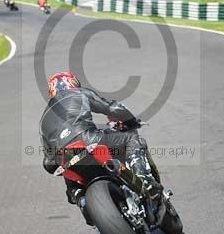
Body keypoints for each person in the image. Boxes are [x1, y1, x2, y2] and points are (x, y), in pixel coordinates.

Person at [39, 71, 162, 216]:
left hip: (66, 157)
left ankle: (81, 199)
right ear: (72, 83)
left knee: (66, 168)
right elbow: (112, 108)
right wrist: (131, 120)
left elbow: (48, 163)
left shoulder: (42, 120)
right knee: (132, 139)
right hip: (88, 139)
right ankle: (144, 178)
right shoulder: (78, 93)